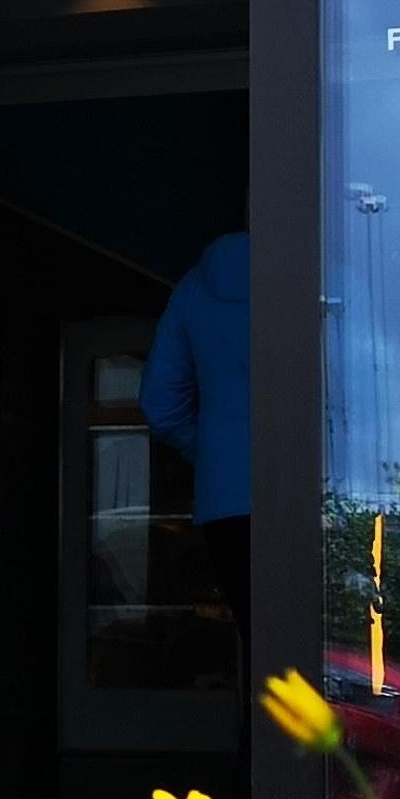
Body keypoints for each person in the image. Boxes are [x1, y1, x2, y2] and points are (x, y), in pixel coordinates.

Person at [142, 230, 251, 642]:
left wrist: (212, 453)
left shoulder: (194, 288)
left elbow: (160, 404)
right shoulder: (319, 269)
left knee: (259, 643)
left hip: (225, 501)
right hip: (315, 489)